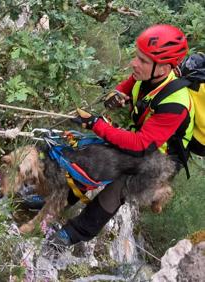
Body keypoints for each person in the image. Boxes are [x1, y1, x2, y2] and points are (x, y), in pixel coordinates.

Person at [49, 24, 194, 247]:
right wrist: (116, 95)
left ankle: (73, 234)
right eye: (137, 56)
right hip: (144, 141)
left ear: (164, 68)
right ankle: (55, 203)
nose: (134, 64)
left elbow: (140, 145)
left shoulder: (176, 103)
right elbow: (124, 87)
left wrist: (97, 124)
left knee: (120, 184)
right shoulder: (147, 75)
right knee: (92, 158)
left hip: (160, 160)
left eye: (143, 61)